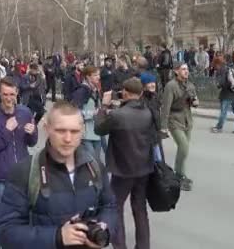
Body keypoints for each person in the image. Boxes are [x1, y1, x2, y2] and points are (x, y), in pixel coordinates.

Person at [0, 101, 117, 249]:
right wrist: (57, 236)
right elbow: (6, 232)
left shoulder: (94, 165)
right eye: (61, 131)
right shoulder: (25, 171)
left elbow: (110, 206)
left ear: (83, 131)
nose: (68, 139)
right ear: (47, 129)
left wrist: (105, 229)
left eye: (74, 131)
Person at [94, 78, 155, 249]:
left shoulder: (118, 115)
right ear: (141, 93)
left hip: (122, 170)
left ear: (125, 93)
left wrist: (104, 106)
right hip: (144, 168)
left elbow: (99, 128)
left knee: (115, 208)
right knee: (140, 208)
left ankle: (120, 246)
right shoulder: (147, 112)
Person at [0, 77, 38, 249]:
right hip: (1, 174)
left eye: (12, 94)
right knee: (0, 212)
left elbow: (32, 142)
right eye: (5, 94)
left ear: (17, 94)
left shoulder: (25, 112)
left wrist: (32, 132)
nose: (8, 98)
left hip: (23, 173)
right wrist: (7, 130)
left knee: (24, 210)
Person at [160, 62, 198, 191]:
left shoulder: (190, 85)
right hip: (174, 120)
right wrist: (163, 126)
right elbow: (166, 106)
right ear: (176, 71)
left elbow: (194, 100)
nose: (186, 71)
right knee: (184, 146)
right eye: (183, 69)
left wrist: (195, 102)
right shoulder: (171, 86)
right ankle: (179, 174)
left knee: (184, 150)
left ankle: (181, 174)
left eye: (187, 69)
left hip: (187, 120)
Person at [71, 66, 104, 161]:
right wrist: (91, 113)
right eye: (95, 75)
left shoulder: (95, 90)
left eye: (99, 75)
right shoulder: (81, 91)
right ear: (88, 77)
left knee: (96, 163)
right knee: (90, 163)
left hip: (96, 133)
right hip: (85, 135)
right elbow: (74, 112)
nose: (98, 77)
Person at [211, 54, 234, 135]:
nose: (215, 67)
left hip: (226, 93)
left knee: (224, 111)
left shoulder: (222, 69)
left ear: (217, 64)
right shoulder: (232, 67)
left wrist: (218, 85)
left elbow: (221, 83)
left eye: (215, 65)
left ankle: (219, 127)